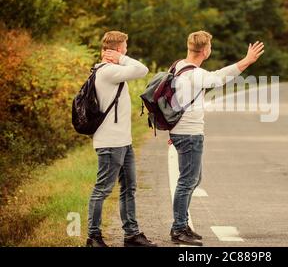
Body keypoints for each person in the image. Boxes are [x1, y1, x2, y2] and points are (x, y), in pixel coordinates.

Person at [169, 31, 264, 246]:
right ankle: (179, 228)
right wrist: (247, 61)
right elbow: (219, 77)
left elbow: (174, 101)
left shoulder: (177, 67)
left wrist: (173, 130)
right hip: (190, 133)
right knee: (187, 181)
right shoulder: (195, 73)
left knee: (193, 179)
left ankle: (181, 224)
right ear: (205, 50)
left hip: (182, 131)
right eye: (210, 46)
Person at [86, 31, 156, 247]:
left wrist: (120, 58)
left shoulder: (113, 71)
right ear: (117, 49)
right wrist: (120, 59)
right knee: (102, 189)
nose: (127, 49)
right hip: (110, 143)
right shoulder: (108, 71)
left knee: (129, 187)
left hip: (123, 142)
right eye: (125, 46)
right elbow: (141, 70)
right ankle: (93, 236)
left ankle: (131, 235)